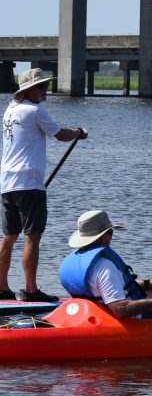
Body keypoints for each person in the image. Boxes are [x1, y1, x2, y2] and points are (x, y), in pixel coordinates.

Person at [1, 68, 88, 302]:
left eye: (46, 86)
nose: (45, 90)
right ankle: (30, 291)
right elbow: (60, 135)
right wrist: (79, 132)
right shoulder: (35, 110)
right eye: (41, 87)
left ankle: (2, 287)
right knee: (32, 235)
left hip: (7, 182)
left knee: (8, 236)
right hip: (29, 182)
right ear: (28, 89)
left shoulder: (10, 110)